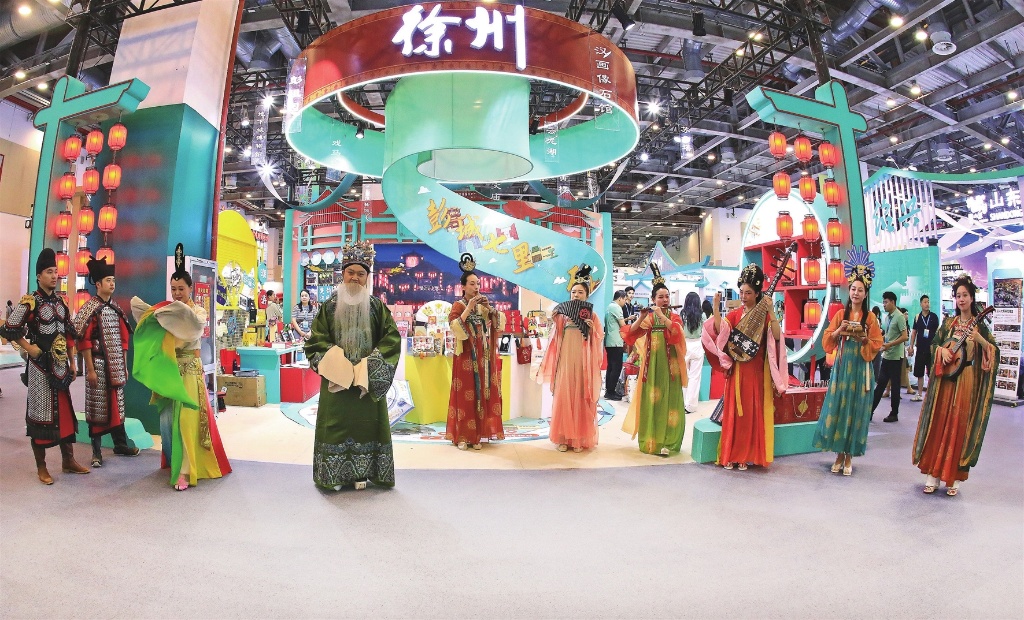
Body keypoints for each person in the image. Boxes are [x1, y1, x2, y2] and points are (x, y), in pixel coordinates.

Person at [132, 245, 231, 491]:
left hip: (190, 370)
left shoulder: (197, 312)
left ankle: (186, 470)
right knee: (167, 419)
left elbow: (192, 328)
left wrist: (171, 315)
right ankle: (173, 460)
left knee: (186, 420)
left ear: (190, 289)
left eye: (181, 289)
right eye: (173, 289)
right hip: (170, 368)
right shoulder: (166, 312)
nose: (177, 293)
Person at [304, 241, 401, 489]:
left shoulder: (377, 307)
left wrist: (369, 367)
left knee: (367, 427)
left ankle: (363, 473)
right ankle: (333, 476)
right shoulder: (329, 307)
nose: (355, 278)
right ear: (343, 274)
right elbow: (316, 340)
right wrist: (338, 365)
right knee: (334, 426)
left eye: (360, 273)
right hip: (336, 382)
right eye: (350, 272)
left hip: (366, 384)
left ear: (367, 278)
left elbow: (391, 340)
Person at [1, 249, 88, 484]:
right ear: (39, 276)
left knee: (65, 413)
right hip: (40, 368)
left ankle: (68, 460)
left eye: (55, 271)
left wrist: (72, 361)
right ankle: (42, 467)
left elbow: (68, 333)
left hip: (60, 367)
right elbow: (9, 328)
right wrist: (29, 348)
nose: (54, 276)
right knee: (40, 414)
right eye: (49, 272)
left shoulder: (61, 302)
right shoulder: (30, 301)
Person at [913, 275, 998, 496]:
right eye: (958, 295)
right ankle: (933, 474)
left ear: (972, 298)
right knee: (939, 422)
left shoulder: (980, 326)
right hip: (946, 380)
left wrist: (979, 339)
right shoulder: (948, 324)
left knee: (958, 425)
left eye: (965, 295)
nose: (961, 299)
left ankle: (954, 478)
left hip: (966, 379)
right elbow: (934, 345)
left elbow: (993, 351)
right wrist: (941, 351)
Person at [704, 264, 788, 470]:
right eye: (741, 292)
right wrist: (716, 308)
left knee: (750, 414)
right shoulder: (735, 315)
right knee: (734, 413)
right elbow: (720, 332)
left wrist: (771, 311)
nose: (743, 296)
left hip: (755, 372)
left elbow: (777, 337)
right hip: (737, 371)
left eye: (748, 293)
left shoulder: (765, 316)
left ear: (758, 293)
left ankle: (745, 455)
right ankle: (731, 455)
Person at [812, 249, 883, 476]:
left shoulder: (870, 318)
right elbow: (827, 341)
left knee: (855, 409)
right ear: (848, 290)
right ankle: (838, 454)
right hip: (842, 368)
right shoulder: (840, 314)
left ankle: (849, 455)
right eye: (853, 289)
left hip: (860, 368)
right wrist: (839, 331)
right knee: (839, 407)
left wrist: (863, 339)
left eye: (860, 290)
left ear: (866, 293)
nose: (856, 293)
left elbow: (877, 343)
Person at [73, 257, 139, 468]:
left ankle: (120, 445)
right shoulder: (89, 308)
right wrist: (90, 369)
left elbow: (124, 340)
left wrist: (124, 365)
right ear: (98, 284)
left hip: (116, 365)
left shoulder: (116, 308)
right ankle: (96, 452)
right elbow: (84, 341)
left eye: (113, 280)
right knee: (97, 408)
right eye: (108, 280)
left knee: (117, 407)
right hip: (99, 365)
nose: (112, 284)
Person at [620, 265, 687, 456]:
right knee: (652, 401)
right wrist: (641, 317)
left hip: (671, 367)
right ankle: (652, 440)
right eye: (660, 297)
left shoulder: (674, 316)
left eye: (667, 296)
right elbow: (631, 334)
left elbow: (676, 333)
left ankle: (669, 441)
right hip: (652, 367)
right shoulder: (649, 318)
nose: (665, 300)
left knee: (670, 401)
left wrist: (661, 316)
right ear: (653, 299)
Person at [538, 266, 604, 452]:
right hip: (566, 360)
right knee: (565, 396)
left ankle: (579, 439)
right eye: (574, 292)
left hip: (583, 362)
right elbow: (556, 337)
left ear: (587, 295)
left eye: (580, 292)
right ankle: (563, 438)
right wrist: (554, 319)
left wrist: (591, 330)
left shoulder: (592, 315)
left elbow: (599, 337)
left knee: (581, 396)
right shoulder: (564, 315)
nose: (576, 295)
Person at [446, 253, 505, 450]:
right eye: (472, 284)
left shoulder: (482, 306)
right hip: (465, 355)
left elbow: (497, 324)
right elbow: (455, 328)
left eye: (478, 283)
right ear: (463, 286)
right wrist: (468, 307)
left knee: (482, 392)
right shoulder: (458, 305)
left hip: (482, 354)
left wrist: (491, 309)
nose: (476, 287)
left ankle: (478, 435)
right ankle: (463, 436)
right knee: (465, 394)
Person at [871, 291, 908, 423]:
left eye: (886, 302)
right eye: (883, 302)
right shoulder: (888, 317)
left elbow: (905, 336)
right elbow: (888, 335)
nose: (884, 304)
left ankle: (894, 413)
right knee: (880, 384)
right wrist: (881, 340)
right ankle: (870, 410)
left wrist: (890, 344)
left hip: (896, 357)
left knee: (895, 386)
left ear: (893, 302)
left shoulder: (899, 317)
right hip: (887, 355)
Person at [908, 294, 939, 402]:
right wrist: (911, 346)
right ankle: (920, 394)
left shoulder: (934, 317)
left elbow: (938, 333)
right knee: (919, 372)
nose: (927, 304)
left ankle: (931, 395)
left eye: (928, 302)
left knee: (931, 372)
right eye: (925, 302)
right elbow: (914, 333)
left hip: (931, 349)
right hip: (920, 349)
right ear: (921, 304)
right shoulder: (917, 317)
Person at [680, 292, 704, 415]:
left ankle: (682, 403)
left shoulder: (682, 314)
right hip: (698, 345)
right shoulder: (702, 315)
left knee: (684, 375)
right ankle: (691, 405)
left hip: (684, 345)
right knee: (695, 377)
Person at [604, 290, 627, 401]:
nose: (625, 302)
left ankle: (609, 390)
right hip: (616, 341)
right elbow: (622, 325)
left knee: (611, 367)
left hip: (609, 341)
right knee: (616, 367)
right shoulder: (617, 308)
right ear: (620, 298)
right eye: (625, 299)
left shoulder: (609, 307)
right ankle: (611, 391)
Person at [900, 307, 915, 396]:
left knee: (905, 370)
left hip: (905, 350)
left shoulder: (907, 326)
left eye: (907, 314)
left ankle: (887, 389)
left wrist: (910, 347)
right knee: (903, 370)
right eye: (905, 314)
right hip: (900, 350)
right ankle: (909, 388)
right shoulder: (900, 324)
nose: (907, 316)